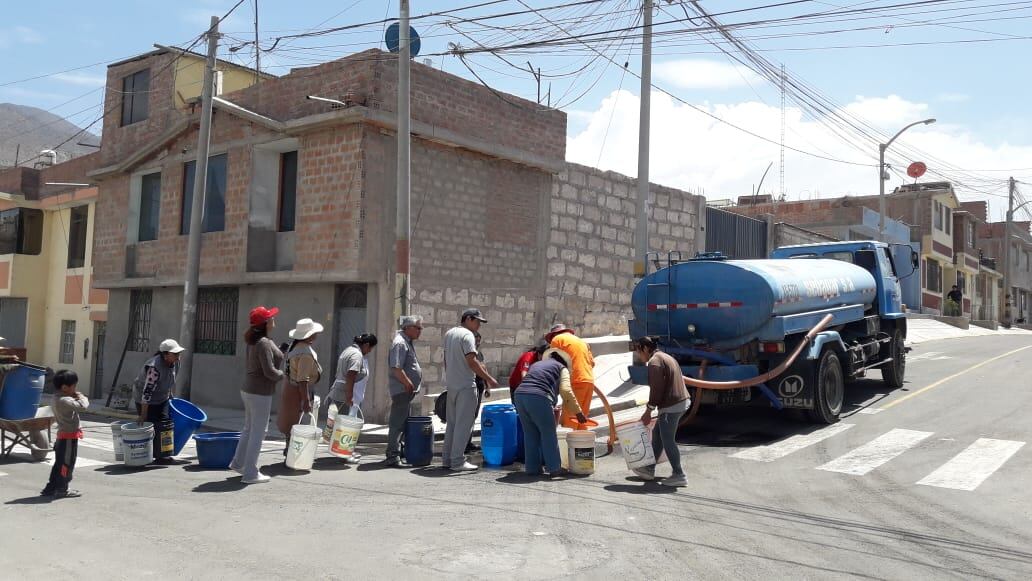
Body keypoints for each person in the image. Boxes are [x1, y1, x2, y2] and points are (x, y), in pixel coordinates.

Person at [231, 306, 284, 484]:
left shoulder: (256, 340)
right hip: (259, 392)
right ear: (266, 323)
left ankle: (238, 463)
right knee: (258, 432)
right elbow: (269, 371)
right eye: (271, 318)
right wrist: (283, 374)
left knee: (249, 428)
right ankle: (250, 473)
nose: (274, 320)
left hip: (249, 389)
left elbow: (271, 358)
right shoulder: (263, 343)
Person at [513, 349, 587, 477]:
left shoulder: (536, 364)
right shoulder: (561, 368)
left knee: (530, 433)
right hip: (538, 396)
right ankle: (554, 468)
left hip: (519, 395)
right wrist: (578, 412)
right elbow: (566, 390)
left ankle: (532, 468)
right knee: (548, 433)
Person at [442, 308, 498, 472]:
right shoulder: (468, 336)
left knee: (452, 424)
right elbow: (472, 361)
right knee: (464, 424)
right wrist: (489, 378)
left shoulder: (450, 334)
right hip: (466, 385)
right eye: (477, 321)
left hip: (452, 385)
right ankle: (458, 461)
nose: (479, 325)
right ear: (468, 319)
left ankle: (447, 459)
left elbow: (446, 360)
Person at [633, 336, 689, 487]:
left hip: (672, 406)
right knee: (658, 435)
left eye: (638, 351)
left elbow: (656, 389)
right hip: (678, 402)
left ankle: (679, 474)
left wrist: (648, 411)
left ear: (645, 348)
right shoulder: (665, 356)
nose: (638, 355)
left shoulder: (654, 362)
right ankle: (649, 469)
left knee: (667, 440)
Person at [133, 338, 184, 465]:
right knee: (150, 427)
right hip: (145, 400)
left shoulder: (176, 363)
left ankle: (163, 456)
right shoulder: (154, 368)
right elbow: (147, 392)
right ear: (165, 355)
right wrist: (143, 414)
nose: (178, 356)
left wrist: (170, 396)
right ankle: (146, 456)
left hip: (162, 398)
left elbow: (170, 380)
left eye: (179, 353)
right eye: (175, 354)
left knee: (164, 424)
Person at [277, 318, 323, 453]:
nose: (316, 335)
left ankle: (289, 449)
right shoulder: (305, 353)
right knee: (296, 423)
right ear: (309, 335)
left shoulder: (294, 346)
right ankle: (293, 452)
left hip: (289, 387)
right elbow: (303, 379)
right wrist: (306, 400)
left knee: (290, 422)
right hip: (297, 391)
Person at [41, 370, 87, 499]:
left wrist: (73, 395)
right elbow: (83, 406)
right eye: (74, 386)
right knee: (66, 465)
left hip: (63, 436)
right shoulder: (65, 400)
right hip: (68, 438)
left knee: (59, 464)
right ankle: (62, 489)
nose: (75, 389)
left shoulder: (57, 397)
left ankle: (51, 488)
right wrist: (81, 396)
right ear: (65, 387)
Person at [385, 316, 423, 466]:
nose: (420, 331)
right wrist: (407, 382)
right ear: (408, 327)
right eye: (418, 328)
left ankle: (399, 452)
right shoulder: (400, 343)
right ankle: (392, 456)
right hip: (401, 389)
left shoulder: (406, 342)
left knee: (403, 423)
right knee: (397, 424)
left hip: (406, 390)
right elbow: (396, 367)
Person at [546, 324, 596, 428]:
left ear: (553, 335)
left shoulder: (557, 339)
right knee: (581, 419)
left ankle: (569, 444)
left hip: (574, 381)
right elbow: (592, 363)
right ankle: (583, 443)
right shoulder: (582, 342)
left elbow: (552, 364)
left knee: (569, 421)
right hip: (588, 381)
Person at [328, 334, 378, 415]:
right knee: (341, 424)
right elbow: (351, 375)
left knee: (333, 422)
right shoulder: (357, 355)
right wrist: (349, 397)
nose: (370, 351)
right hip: (343, 396)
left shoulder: (348, 350)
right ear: (366, 345)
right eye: (370, 348)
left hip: (338, 392)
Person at [466, 331, 487, 454]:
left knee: (473, 415)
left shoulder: (479, 354)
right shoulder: (469, 354)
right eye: (475, 340)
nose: (477, 342)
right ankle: (463, 443)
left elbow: (484, 368)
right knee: (467, 415)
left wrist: (487, 386)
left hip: (479, 386)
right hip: (470, 385)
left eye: (479, 340)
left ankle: (468, 442)